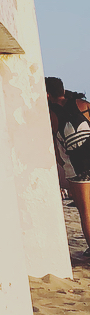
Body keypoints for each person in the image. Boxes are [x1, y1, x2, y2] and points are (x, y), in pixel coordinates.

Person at [47, 76, 90, 256]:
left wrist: (64, 166)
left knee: (86, 212)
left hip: (77, 169)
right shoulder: (83, 104)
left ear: (47, 95)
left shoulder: (51, 116)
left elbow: (57, 151)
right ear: (63, 90)